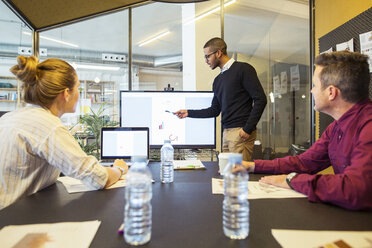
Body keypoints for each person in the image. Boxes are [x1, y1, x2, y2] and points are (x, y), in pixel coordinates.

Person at [243, 51, 372, 211]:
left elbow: (357, 189)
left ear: (331, 92)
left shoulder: (368, 126)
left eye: (315, 85)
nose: (311, 91)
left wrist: (292, 180)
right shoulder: (336, 127)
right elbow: (304, 163)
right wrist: (252, 166)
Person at [0, 56, 128, 210]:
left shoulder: (11, 117)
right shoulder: (49, 125)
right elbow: (98, 177)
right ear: (66, 93)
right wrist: (119, 169)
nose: (79, 94)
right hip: (13, 219)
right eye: (78, 88)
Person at [175, 37, 267, 161]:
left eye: (207, 56)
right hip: (226, 133)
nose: (206, 60)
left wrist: (247, 128)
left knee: (237, 175)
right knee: (226, 174)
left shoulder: (243, 69)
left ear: (218, 53)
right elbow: (214, 110)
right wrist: (188, 112)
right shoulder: (218, 80)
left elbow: (260, 99)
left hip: (240, 132)